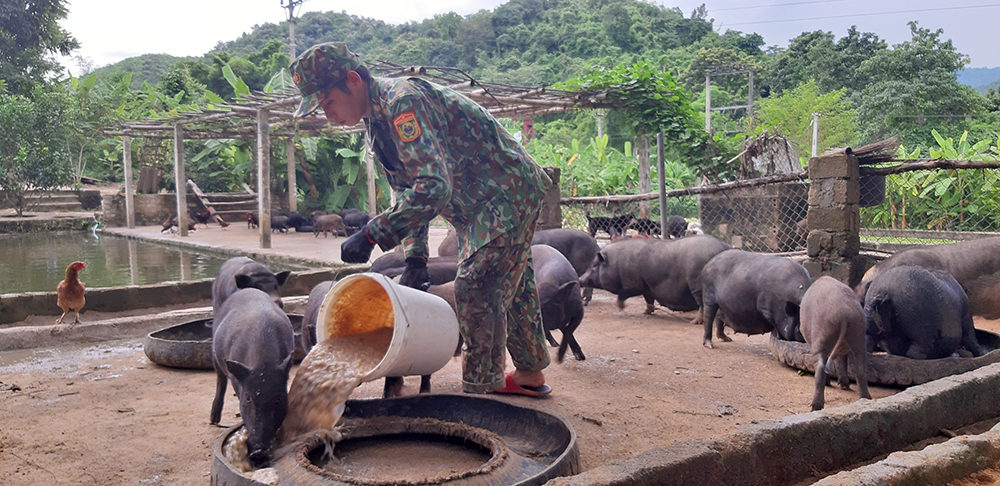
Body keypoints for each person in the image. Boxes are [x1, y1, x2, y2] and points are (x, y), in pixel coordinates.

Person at [289, 42, 553, 396]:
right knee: (513, 282)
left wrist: (372, 233)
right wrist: (415, 256)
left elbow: (433, 187)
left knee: (476, 285)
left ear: (352, 81)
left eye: (328, 104)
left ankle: (483, 394)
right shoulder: (377, 122)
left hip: (505, 191)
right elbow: (407, 187)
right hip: (485, 201)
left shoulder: (402, 102)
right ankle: (530, 375)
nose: (328, 116)